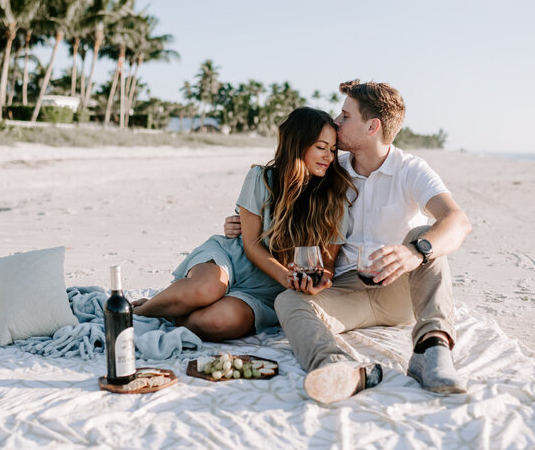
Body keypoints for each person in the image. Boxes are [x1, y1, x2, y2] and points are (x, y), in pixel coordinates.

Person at [224, 80, 472, 404]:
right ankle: (338, 366)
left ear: (372, 126)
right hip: (343, 289)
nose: (336, 124)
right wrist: (242, 223)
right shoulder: (331, 168)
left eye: (344, 116)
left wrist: (414, 253)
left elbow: (458, 221)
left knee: (424, 238)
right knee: (288, 300)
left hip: (397, 291)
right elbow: (280, 201)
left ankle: (432, 350)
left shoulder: (410, 170)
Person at [134, 107, 381, 396]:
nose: (329, 156)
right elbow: (250, 245)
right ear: (297, 144)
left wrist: (316, 284)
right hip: (234, 258)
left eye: (333, 149)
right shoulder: (261, 178)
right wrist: (285, 276)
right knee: (207, 288)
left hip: (266, 291)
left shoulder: (334, 199)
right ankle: (138, 312)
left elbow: (325, 265)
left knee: (216, 321)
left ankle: (175, 310)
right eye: (321, 147)